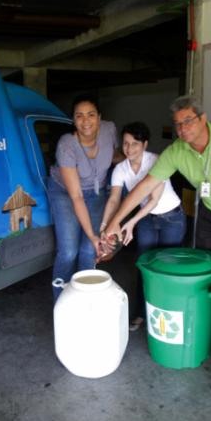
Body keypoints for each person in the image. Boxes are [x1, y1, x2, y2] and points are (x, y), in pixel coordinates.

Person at [104, 95, 211, 263]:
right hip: (209, 212)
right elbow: (145, 186)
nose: (182, 129)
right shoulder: (176, 151)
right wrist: (115, 221)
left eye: (188, 121)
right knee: (207, 266)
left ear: (203, 118)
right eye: (178, 124)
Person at [100, 121, 186, 330]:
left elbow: (154, 200)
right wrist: (105, 226)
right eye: (126, 144)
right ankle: (141, 313)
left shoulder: (157, 161)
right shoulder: (120, 169)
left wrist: (129, 223)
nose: (129, 149)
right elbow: (114, 200)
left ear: (145, 144)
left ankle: (167, 313)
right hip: (146, 219)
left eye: (135, 144)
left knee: (167, 267)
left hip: (171, 218)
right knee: (144, 264)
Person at [48, 93, 120, 300]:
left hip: (96, 191)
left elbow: (114, 155)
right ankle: (60, 304)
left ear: (99, 117)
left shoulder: (109, 130)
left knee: (90, 251)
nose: (85, 121)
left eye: (90, 115)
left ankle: (84, 302)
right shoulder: (67, 145)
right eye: (79, 116)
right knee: (69, 251)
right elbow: (77, 196)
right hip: (66, 192)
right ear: (73, 119)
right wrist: (92, 234)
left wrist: (136, 163)